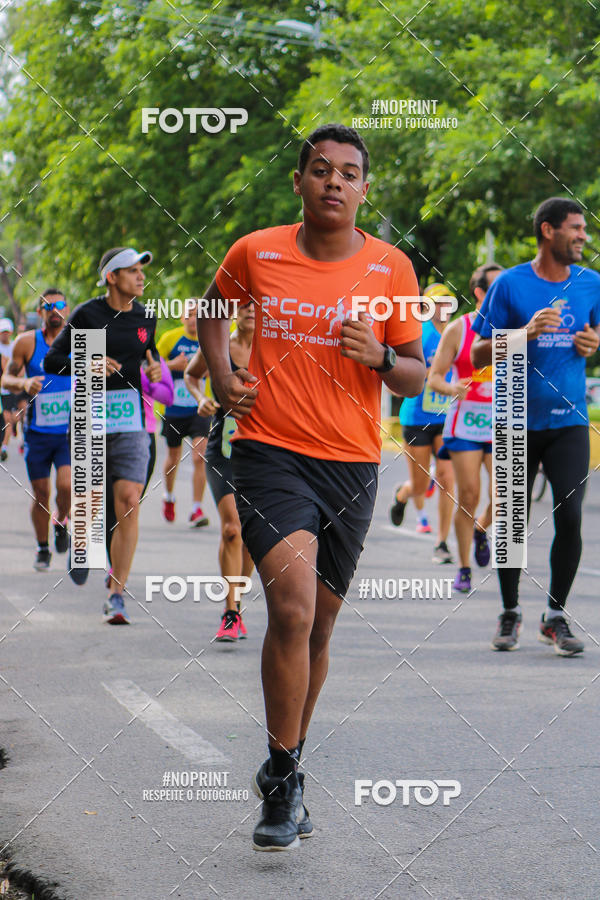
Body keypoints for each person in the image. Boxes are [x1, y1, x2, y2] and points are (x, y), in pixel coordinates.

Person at [197, 124, 425, 850]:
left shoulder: (391, 268)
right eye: (321, 170)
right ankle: (283, 777)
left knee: (319, 627)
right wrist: (226, 376)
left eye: (349, 173)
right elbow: (209, 312)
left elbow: (418, 373)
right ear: (298, 182)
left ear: (364, 189)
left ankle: (287, 763)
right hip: (269, 452)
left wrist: (382, 355)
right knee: (291, 611)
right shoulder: (255, 251)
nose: (335, 182)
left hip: (352, 465)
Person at [472, 197, 600, 655]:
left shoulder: (592, 285)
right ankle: (510, 613)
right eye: (576, 228)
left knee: (569, 517)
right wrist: (523, 333)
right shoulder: (509, 284)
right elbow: (477, 355)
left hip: (568, 421)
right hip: (513, 420)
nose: (584, 235)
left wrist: (592, 342)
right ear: (548, 231)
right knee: (512, 525)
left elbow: (596, 337)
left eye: (584, 228)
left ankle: (555, 615)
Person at [45, 247, 162, 623]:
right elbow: (53, 361)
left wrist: (155, 370)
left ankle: (116, 594)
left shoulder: (146, 316)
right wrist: (87, 361)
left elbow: (148, 354)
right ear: (112, 277)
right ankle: (81, 543)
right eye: (132, 271)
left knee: (128, 500)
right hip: (89, 413)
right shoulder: (88, 315)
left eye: (142, 271)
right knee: (91, 503)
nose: (141, 277)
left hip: (129, 417)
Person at [428, 264, 503, 592]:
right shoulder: (459, 329)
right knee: (469, 495)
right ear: (480, 293)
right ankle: (463, 567)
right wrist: (451, 388)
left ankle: (480, 531)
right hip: (466, 423)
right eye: (499, 288)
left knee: (505, 496)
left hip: (502, 422)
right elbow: (433, 377)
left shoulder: (517, 328)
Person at [184, 300, 255, 642]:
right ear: (235, 312)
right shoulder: (220, 345)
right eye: (245, 305)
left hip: (266, 451)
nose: (252, 311)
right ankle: (229, 613)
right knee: (232, 529)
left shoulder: (279, 346)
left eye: (259, 305)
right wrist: (200, 397)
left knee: (253, 538)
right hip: (223, 446)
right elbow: (191, 375)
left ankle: (237, 604)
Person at [1, 292, 71, 570]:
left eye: (60, 305)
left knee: (66, 486)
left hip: (68, 433)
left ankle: (61, 519)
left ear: (68, 309)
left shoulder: (79, 340)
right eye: (48, 306)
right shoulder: (26, 342)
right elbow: (6, 377)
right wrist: (24, 383)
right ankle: (43, 547)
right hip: (37, 434)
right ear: (40, 311)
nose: (55, 310)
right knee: (41, 492)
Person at [389, 283, 456, 563]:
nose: (443, 309)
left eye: (447, 303)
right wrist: (431, 372)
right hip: (417, 419)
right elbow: (400, 378)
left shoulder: (457, 334)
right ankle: (403, 494)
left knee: (446, 479)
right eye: (437, 303)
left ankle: (442, 543)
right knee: (419, 487)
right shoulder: (419, 336)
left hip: (446, 418)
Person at [157, 299, 211, 527]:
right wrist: (172, 365)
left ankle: (196, 509)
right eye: (190, 314)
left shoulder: (209, 338)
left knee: (200, 456)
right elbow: (149, 366)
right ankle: (169, 497)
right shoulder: (170, 338)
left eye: (198, 314)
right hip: (173, 408)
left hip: (200, 407)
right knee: (173, 457)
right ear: (182, 318)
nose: (194, 318)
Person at [0, 317, 17, 461]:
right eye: (2, 332)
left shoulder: (15, 348)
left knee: (8, 418)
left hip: (8, 390)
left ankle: (4, 447)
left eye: (6, 332)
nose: (4, 334)